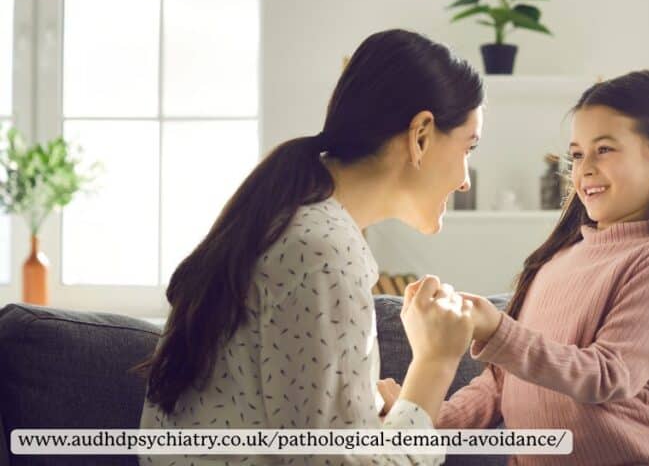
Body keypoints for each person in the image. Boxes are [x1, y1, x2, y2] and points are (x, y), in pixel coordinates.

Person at [134, 29, 485, 466]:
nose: (465, 179)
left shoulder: (295, 223)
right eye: (469, 147)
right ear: (421, 136)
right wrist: (435, 362)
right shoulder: (324, 252)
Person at [435, 70, 649, 466]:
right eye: (578, 154)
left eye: (605, 150)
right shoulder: (556, 260)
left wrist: (498, 330)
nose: (585, 169)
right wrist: (417, 420)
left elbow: (609, 375)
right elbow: (500, 382)